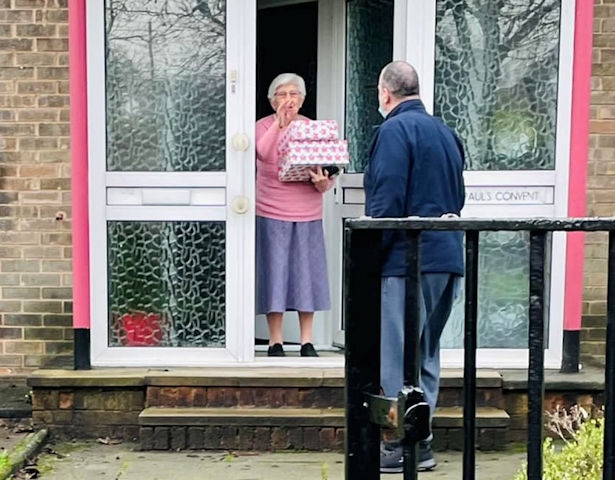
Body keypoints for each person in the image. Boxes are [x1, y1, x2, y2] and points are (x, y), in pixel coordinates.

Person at [363, 61, 465, 473]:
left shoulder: (392, 132)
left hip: (405, 262)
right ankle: (421, 444)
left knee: (394, 356)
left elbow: (385, 203)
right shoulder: (446, 132)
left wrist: (371, 261)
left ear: (385, 94)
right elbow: (457, 194)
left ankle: (394, 445)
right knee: (426, 354)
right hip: (447, 258)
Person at [255, 73, 334, 357]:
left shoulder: (313, 128)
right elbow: (263, 153)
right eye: (281, 94)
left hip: (308, 210)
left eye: (293, 94)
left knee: (305, 274)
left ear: (302, 99)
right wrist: (279, 124)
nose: (288, 100)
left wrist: (325, 183)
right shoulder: (262, 126)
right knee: (274, 273)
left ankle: (306, 341)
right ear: (271, 100)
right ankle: (275, 340)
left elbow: (328, 168)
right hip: (271, 209)